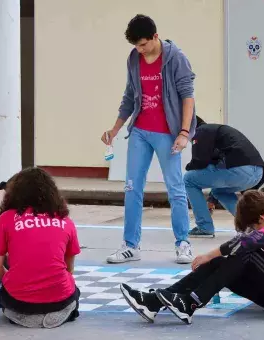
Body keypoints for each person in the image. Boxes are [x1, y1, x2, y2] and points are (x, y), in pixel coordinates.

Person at [101, 14, 197, 264]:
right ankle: (130, 245)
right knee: (132, 188)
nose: (139, 50)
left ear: (155, 36)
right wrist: (115, 129)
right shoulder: (134, 58)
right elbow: (129, 95)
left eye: (143, 44)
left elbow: (188, 96)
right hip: (140, 132)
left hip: (168, 133)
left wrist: (184, 133)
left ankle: (183, 243)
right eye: (136, 46)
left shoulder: (176, 58)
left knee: (175, 188)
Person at [120, 190, 264, 324]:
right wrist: (216, 267)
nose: (254, 232)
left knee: (246, 253)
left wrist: (208, 255)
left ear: (263, 217)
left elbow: (246, 243)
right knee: (221, 260)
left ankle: (191, 303)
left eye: (254, 228)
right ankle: (155, 302)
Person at [0, 167, 81, 328]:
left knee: (4, 292)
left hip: (19, 308)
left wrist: (13, 281)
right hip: (61, 305)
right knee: (73, 287)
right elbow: (69, 269)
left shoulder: (6, 219)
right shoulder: (66, 221)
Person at [185, 116, 264, 237]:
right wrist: (211, 200)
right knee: (219, 191)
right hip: (258, 173)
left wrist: (182, 168)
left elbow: (199, 162)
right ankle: (248, 226)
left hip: (239, 170)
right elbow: (215, 169)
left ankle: (204, 227)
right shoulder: (216, 133)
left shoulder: (201, 131)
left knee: (188, 179)